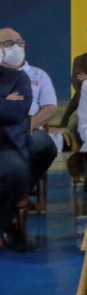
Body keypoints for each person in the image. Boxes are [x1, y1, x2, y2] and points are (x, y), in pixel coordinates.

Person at [0, 28, 58, 189]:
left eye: (19, 42)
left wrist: (26, 127)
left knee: (45, 144)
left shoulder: (39, 75)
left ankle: (21, 188)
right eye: (9, 43)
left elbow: (50, 108)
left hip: (29, 130)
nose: (16, 47)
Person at [0, 63, 32, 251]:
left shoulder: (17, 78)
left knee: (17, 171)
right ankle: (6, 225)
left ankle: (3, 223)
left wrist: (6, 104)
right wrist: (3, 100)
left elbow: (16, 111)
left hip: (4, 147)